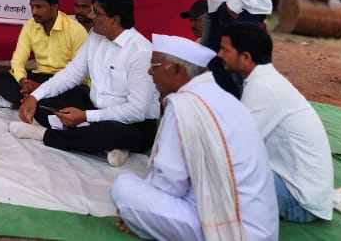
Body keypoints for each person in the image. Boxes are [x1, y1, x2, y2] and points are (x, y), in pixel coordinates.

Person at [110, 34, 278, 241]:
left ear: (175, 70)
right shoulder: (224, 97)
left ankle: (141, 225)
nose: (149, 72)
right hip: (261, 228)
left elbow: (170, 184)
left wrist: (136, 212)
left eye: (154, 65)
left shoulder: (185, 106)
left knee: (124, 187)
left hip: (230, 229)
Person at [12, 0, 159, 168]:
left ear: (115, 20)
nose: (90, 16)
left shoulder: (141, 52)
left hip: (134, 125)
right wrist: (36, 96)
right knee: (45, 105)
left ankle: (43, 135)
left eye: (96, 12)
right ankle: (113, 147)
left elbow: (136, 111)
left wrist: (86, 116)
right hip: (96, 110)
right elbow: (72, 73)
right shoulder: (96, 37)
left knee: (106, 132)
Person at [219, 24, 333, 223]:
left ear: (246, 57)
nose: (219, 54)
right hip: (297, 187)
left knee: (217, 175)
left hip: (299, 201)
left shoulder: (262, 88)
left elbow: (235, 147)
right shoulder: (264, 80)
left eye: (225, 50)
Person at [0, 0, 87, 107]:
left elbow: (80, 73)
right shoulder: (30, 26)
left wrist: (42, 88)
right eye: (32, 6)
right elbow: (18, 60)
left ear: (54, 7)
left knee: (80, 96)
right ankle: (38, 102)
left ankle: (29, 101)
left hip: (65, 82)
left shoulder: (76, 31)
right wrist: (23, 81)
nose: (34, 12)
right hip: (39, 77)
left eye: (39, 7)